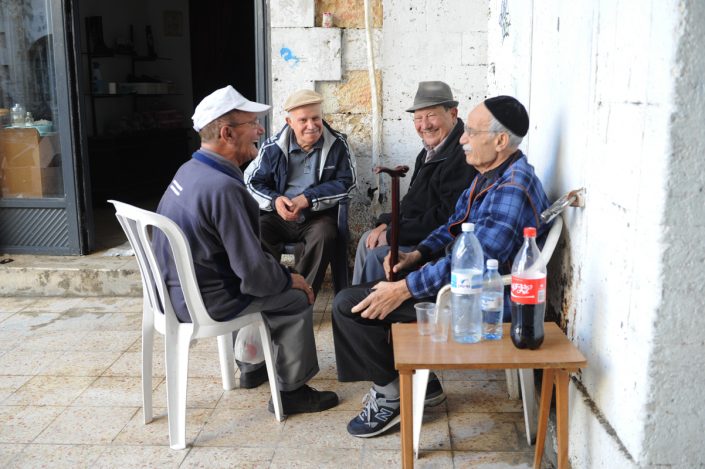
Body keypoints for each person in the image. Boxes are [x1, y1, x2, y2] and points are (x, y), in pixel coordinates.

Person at [333, 95, 550, 438]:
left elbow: (472, 265)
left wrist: (404, 289)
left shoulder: (513, 187)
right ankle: (422, 385)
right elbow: (453, 226)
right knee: (371, 286)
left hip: (486, 302)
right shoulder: (489, 175)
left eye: (472, 132)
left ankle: (392, 397)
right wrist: (416, 255)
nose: (462, 138)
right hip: (464, 287)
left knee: (350, 306)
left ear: (500, 141)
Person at [153, 85, 338, 415]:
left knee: (269, 281)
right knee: (295, 298)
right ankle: (292, 391)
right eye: (252, 124)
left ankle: (251, 367)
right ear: (227, 133)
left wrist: (278, 273)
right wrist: (290, 278)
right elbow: (253, 277)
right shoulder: (224, 187)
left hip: (174, 294)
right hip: (207, 301)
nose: (260, 131)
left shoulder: (189, 170)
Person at [352, 81, 477, 284]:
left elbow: (446, 217)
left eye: (431, 115)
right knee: (367, 240)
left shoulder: (461, 156)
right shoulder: (430, 150)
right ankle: (358, 297)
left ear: (453, 114)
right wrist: (386, 222)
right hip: (414, 230)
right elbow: (412, 201)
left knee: (377, 255)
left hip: (434, 243)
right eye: (418, 118)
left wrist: (393, 234)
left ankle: (374, 300)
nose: (425, 125)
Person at [244, 89, 356, 296]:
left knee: (325, 235)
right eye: (303, 120)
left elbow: (347, 182)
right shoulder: (272, 147)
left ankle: (301, 295)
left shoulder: (338, 145)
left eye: (316, 118)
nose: (311, 125)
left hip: (317, 217)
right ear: (289, 122)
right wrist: (275, 201)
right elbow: (251, 182)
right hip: (279, 216)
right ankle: (274, 288)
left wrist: (308, 198)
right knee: (255, 231)